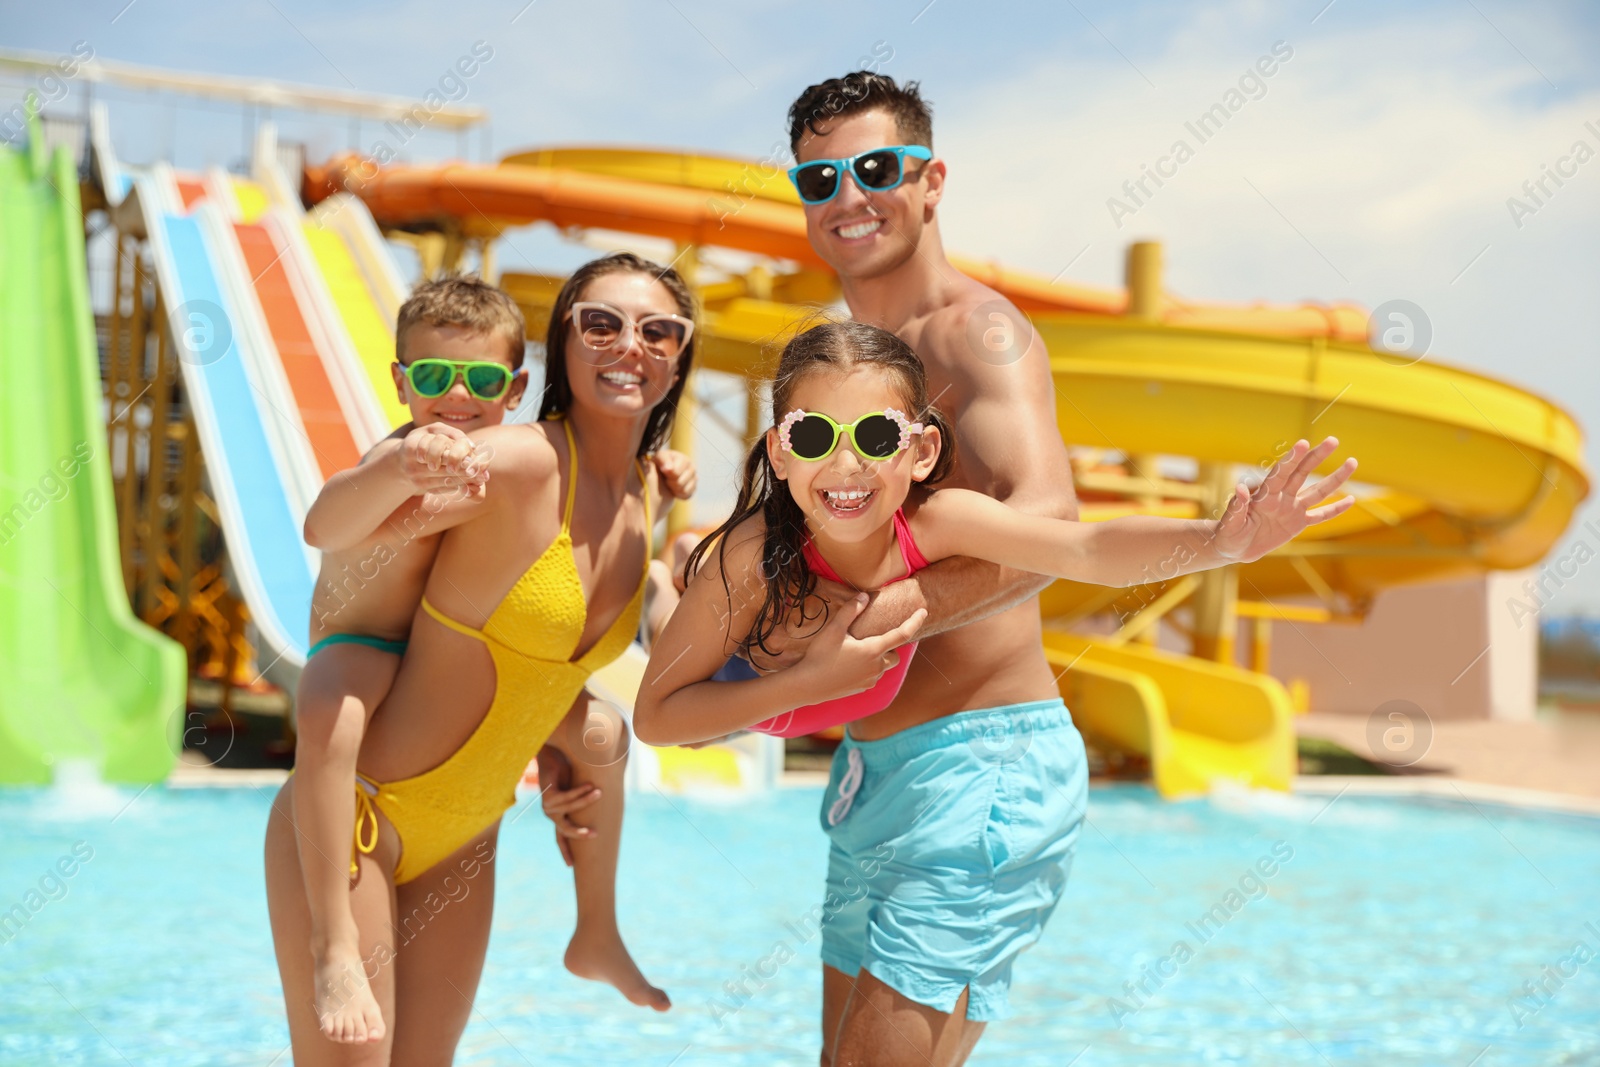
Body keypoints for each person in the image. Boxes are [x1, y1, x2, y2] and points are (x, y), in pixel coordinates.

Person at [721, 72, 1350, 1066]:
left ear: (931, 182)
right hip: (873, 768)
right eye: (820, 178)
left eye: (876, 169)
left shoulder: (978, 333)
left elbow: (1052, 523)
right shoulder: (843, 366)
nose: (848, 197)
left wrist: (878, 621)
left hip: (982, 765)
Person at [265, 253, 694, 1063]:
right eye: (600, 324)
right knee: (329, 708)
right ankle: (333, 949)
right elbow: (325, 525)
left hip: (466, 832)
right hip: (362, 811)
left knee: (603, 732)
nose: (455, 399)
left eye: (658, 329)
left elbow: (517, 650)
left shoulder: (641, 493)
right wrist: (395, 468)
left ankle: (595, 929)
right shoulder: (489, 460)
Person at [635, 318, 1354, 743]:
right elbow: (659, 716)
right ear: (780, 451)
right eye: (817, 434)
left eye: (878, 435)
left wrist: (1217, 542)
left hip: (809, 681)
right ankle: (667, 576)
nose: (846, 462)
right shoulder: (749, 559)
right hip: (741, 672)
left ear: (920, 453)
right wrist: (815, 679)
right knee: (676, 600)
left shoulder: (939, 521)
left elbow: (1086, 548)